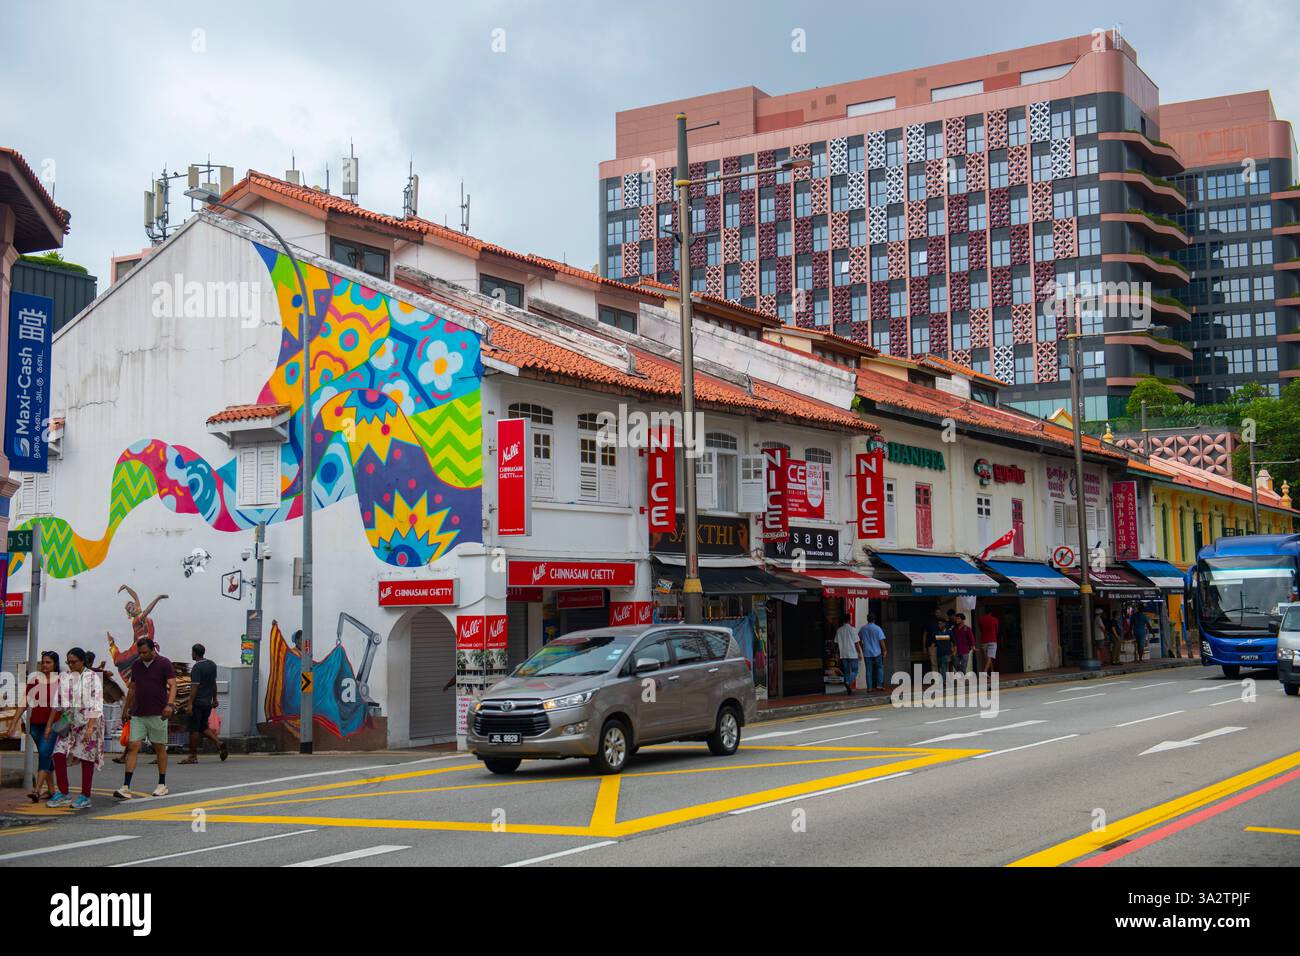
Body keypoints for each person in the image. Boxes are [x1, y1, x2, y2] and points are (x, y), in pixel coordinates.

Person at [113, 637, 177, 799]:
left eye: (144, 652)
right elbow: (132, 689)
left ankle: (162, 784)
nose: (142, 655)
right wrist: (126, 709)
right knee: (133, 745)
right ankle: (126, 786)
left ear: (152, 649)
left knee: (159, 747)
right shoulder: (136, 665)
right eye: (140, 653)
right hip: (138, 713)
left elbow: (173, 685)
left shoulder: (164, 663)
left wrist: (169, 705)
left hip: (158, 713)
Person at [47, 648, 105, 810]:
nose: (71, 665)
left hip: (88, 722)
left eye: (74, 662)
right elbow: (57, 703)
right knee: (58, 754)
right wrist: (49, 726)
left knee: (86, 758)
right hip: (70, 723)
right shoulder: (65, 678)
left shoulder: (92, 678)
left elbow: (96, 703)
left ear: (82, 661)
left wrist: (90, 727)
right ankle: (63, 792)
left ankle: (85, 795)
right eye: (69, 662)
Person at [6, 651, 60, 802]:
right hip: (35, 725)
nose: (44, 665)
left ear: (55, 664)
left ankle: (37, 791)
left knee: (44, 754)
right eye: (43, 662)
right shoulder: (35, 681)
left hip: (54, 725)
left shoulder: (62, 681)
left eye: (48, 662)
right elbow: (24, 702)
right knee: (46, 756)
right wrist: (14, 722)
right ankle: (51, 790)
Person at [182, 643, 227, 764]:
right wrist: (215, 698)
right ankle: (219, 743)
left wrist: (190, 703)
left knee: (194, 729)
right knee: (203, 727)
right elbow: (213, 683)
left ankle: (192, 756)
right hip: (207, 702)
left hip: (197, 702)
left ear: (194, 653)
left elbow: (195, 686)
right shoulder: (211, 664)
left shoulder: (197, 667)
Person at [857, 614, 888, 691]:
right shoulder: (878, 628)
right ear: (874, 619)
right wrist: (884, 650)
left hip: (867, 652)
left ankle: (869, 688)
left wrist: (862, 647)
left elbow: (858, 640)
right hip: (877, 652)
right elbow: (881, 641)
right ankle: (879, 685)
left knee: (868, 670)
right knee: (880, 668)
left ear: (867, 619)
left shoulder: (863, 629)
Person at [833, 617, 862, 695]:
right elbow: (856, 643)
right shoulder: (853, 629)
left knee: (846, 672)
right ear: (849, 620)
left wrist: (836, 654)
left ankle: (847, 685)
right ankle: (848, 682)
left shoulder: (839, 630)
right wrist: (859, 653)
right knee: (855, 670)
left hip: (843, 654)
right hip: (853, 654)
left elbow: (836, 643)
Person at [924, 610, 952, 675]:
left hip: (943, 646)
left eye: (939, 612)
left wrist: (951, 646)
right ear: (934, 613)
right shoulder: (929, 622)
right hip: (932, 646)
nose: (938, 614)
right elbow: (925, 634)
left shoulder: (945, 623)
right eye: (936, 612)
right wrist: (924, 647)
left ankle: (944, 680)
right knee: (934, 663)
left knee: (943, 663)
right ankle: (937, 680)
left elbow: (949, 636)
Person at [978, 607, 1000, 675]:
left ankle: (992, 671)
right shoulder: (995, 619)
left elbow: (980, 629)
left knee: (988, 658)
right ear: (991, 612)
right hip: (992, 640)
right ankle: (985, 672)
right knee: (990, 657)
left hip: (984, 640)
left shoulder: (981, 619)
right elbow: (997, 631)